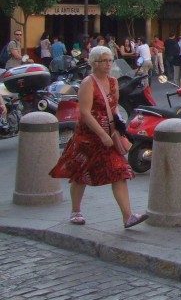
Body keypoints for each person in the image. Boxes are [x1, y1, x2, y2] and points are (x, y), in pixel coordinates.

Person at [49, 46, 148, 228]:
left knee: (119, 171)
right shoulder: (88, 83)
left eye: (110, 60)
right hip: (88, 136)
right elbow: (85, 113)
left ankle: (128, 216)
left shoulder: (112, 82)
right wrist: (102, 134)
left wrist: (119, 126)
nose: (109, 64)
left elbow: (114, 106)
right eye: (104, 61)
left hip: (109, 134)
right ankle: (75, 211)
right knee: (81, 174)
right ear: (94, 63)